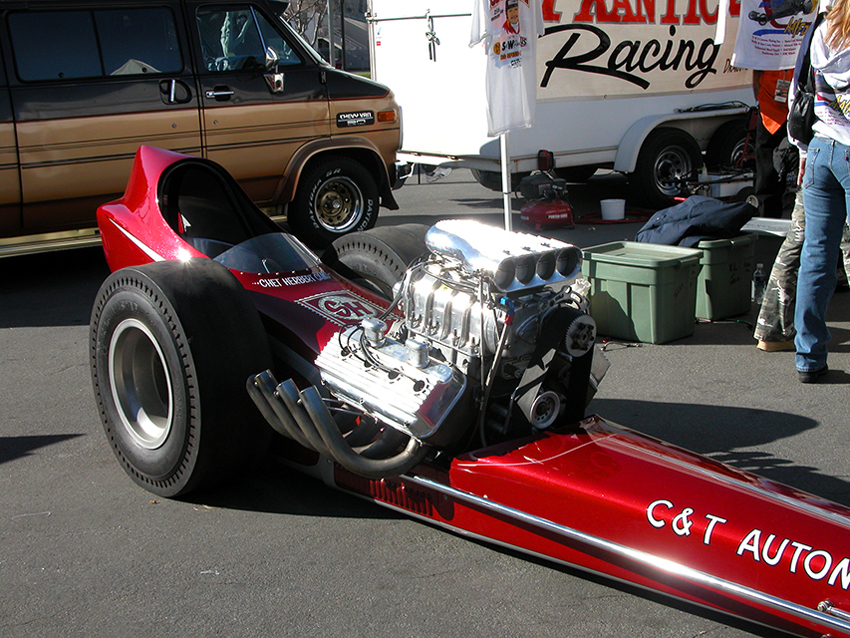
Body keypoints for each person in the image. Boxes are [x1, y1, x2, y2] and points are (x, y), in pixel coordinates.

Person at [788, 0, 850, 382]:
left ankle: (808, 357)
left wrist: (801, 149)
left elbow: (799, 90)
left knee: (816, 256)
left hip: (820, 149)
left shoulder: (820, 31)